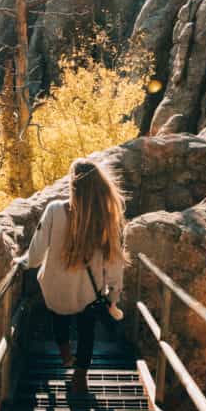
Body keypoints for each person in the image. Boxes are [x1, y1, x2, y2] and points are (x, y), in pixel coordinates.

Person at [26, 157, 126, 393]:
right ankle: (80, 376)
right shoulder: (106, 219)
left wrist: (25, 262)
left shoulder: (54, 211)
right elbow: (114, 261)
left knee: (58, 320)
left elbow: (36, 254)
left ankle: (66, 358)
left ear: (73, 184)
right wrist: (113, 294)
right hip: (88, 293)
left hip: (56, 288)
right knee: (86, 331)